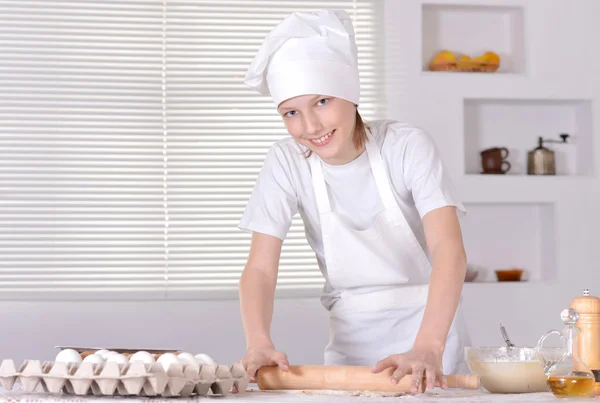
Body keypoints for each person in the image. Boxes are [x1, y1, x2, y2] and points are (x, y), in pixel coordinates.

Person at [236, 9, 471, 393]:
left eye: (323, 101)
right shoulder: (285, 161)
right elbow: (260, 268)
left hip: (430, 341)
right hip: (350, 351)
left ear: (351, 94)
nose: (310, 126)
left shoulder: (406, 146)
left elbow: (449, 249)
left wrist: (429, 345)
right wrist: (258, 342)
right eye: (291, 113)